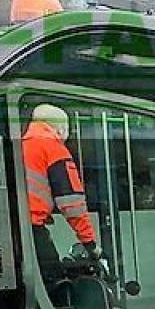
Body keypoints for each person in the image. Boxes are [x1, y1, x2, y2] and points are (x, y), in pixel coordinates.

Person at [22, 103, 98, 284]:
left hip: (16, 228)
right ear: (61, 129)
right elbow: (72, 203)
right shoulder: (54, 149)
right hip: (33, 230)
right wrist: (90, 243)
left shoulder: (19, 145)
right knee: (55, 283)